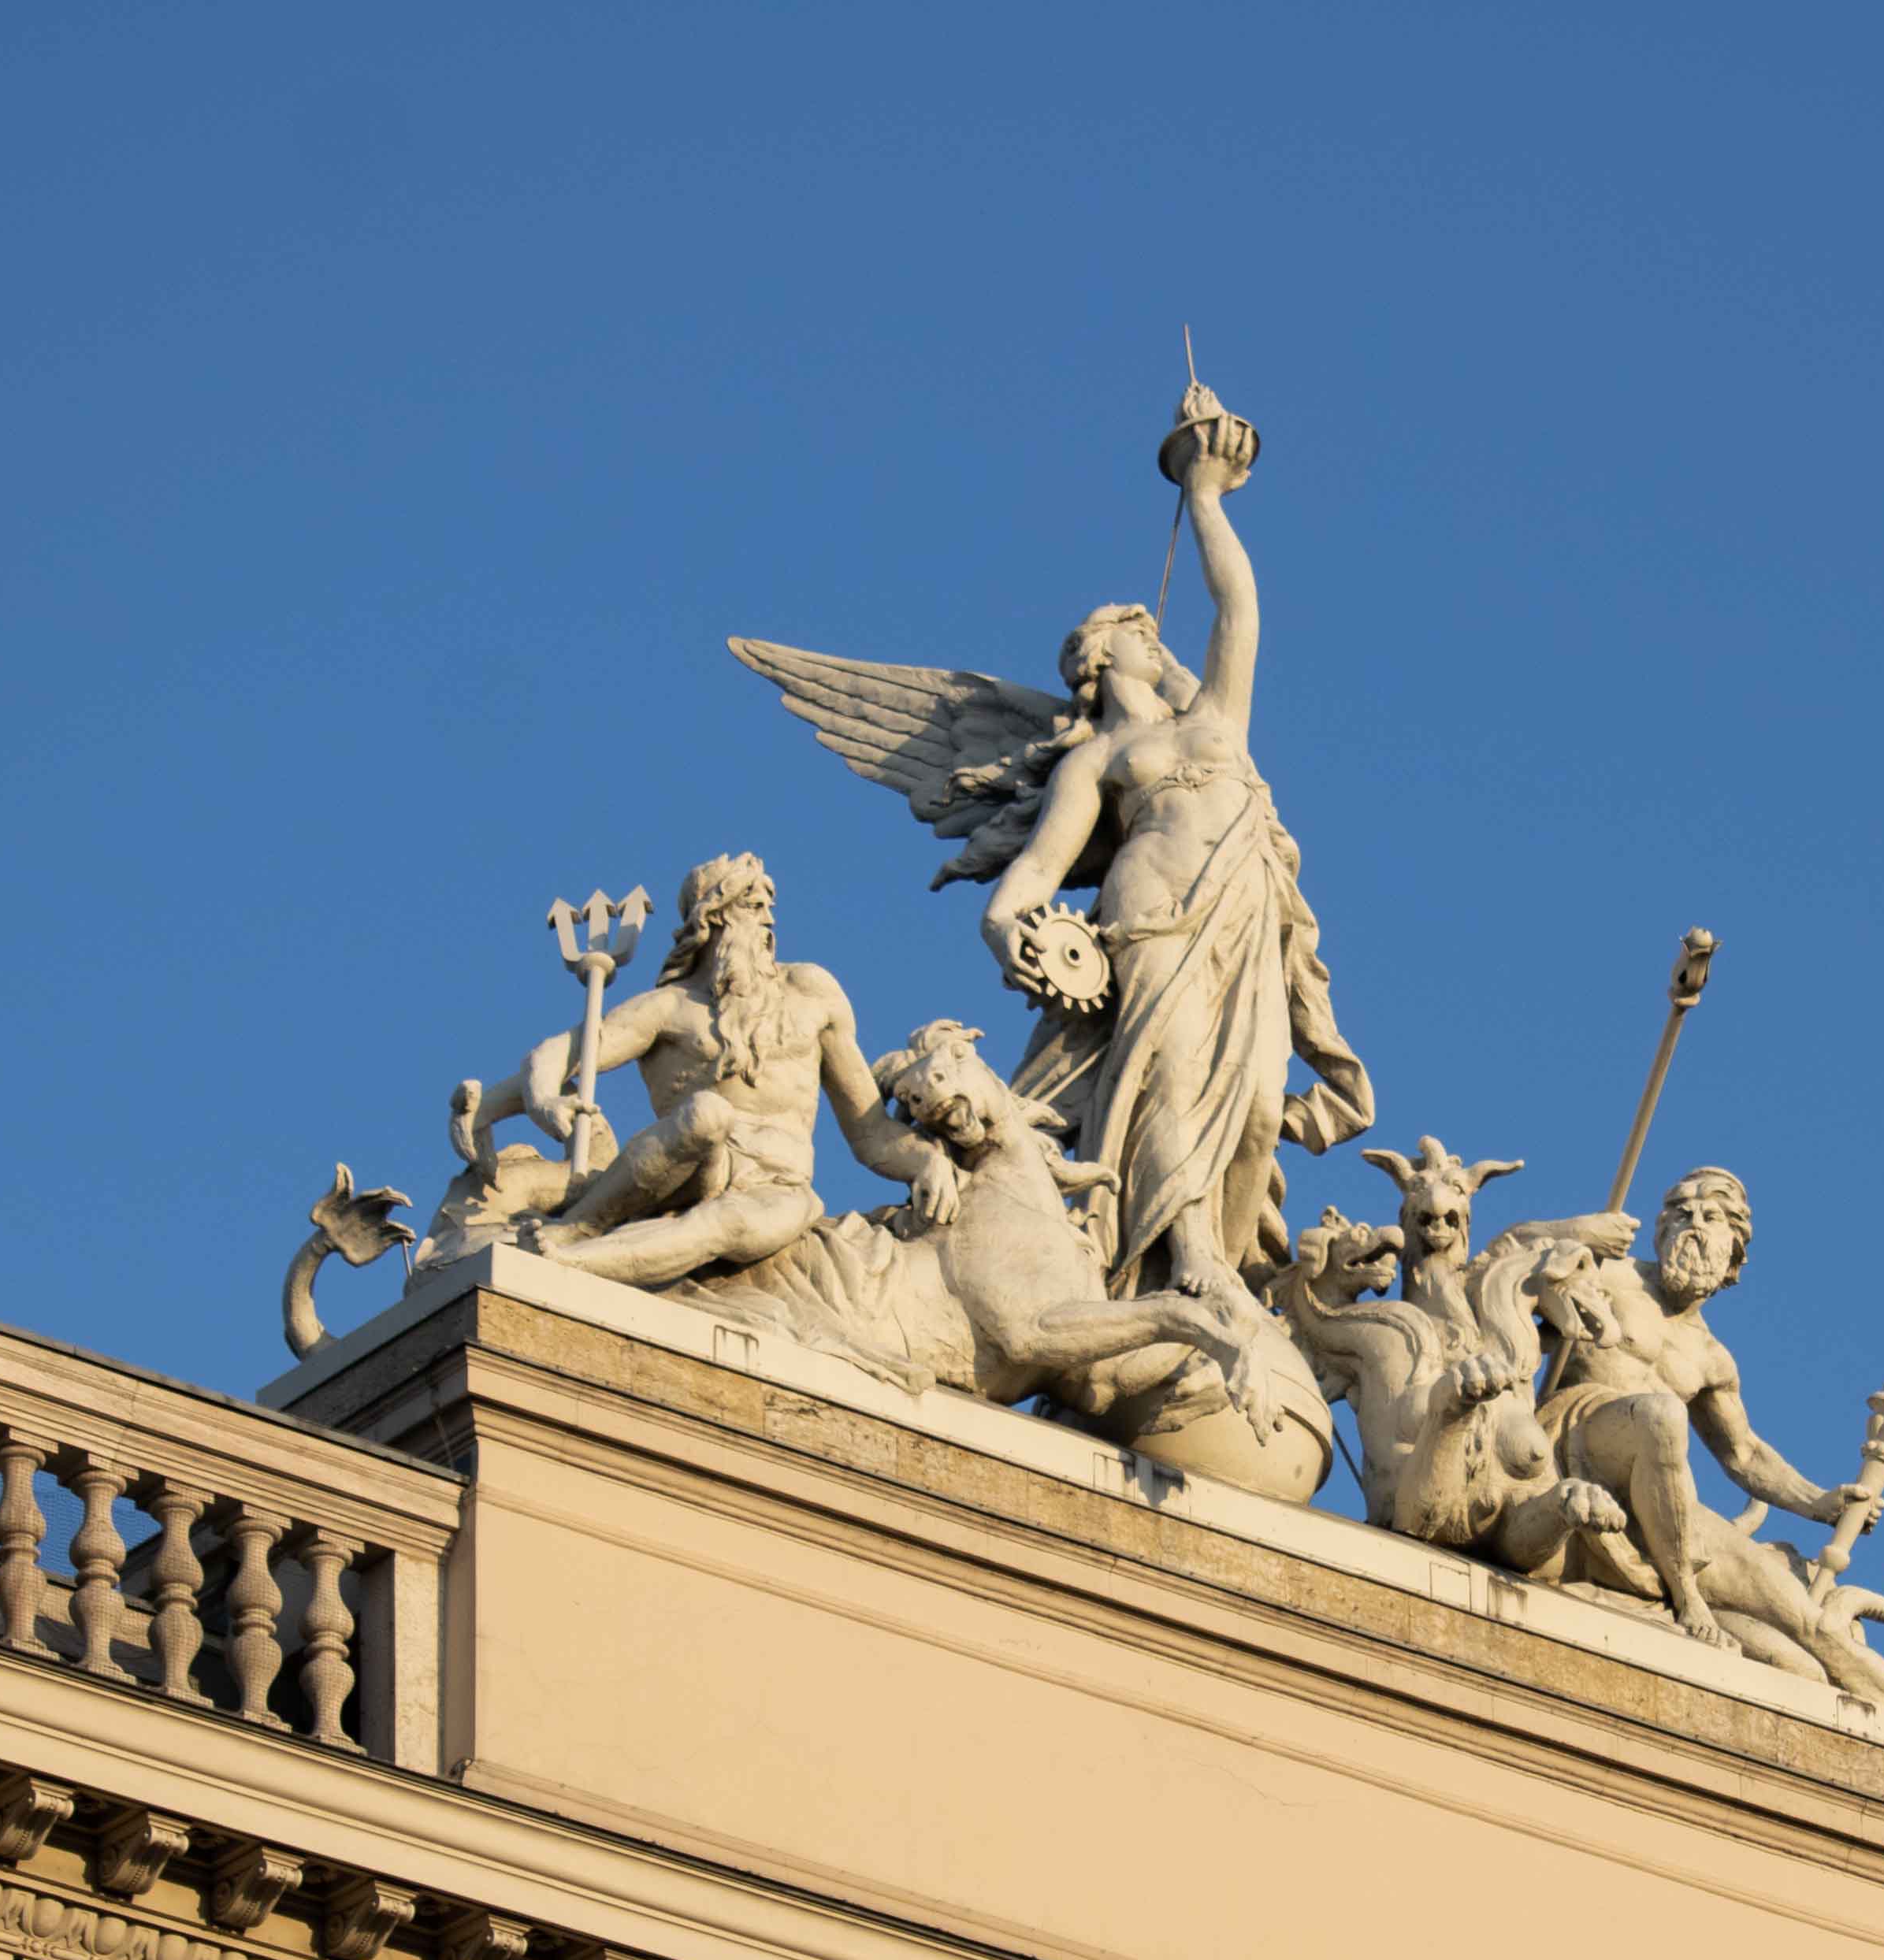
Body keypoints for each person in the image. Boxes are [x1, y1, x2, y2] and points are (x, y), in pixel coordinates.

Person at [973, 391, 1372, 1302]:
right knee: (1177, 1074)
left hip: (1241, 916)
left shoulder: (1217, 718)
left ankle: (1220, 1247)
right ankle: (1186, 1248)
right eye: (1142, 633)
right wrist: (1006, 927)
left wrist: (1205, 496)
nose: (1159, 640)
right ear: (1104, 655)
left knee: (1259, 1106)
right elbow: (1038, 867)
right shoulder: (1104, 760)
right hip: (1153, 925)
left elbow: (1241, 608)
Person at [1537, 1167, 1884, 1713]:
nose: (1692, 1225)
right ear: (1658, 1230)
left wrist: (1820, 1503)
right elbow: (1514, 1267)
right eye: (1680, 1213)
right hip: (1578, 1443)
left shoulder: (1711, 1357)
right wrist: (1575, 1235)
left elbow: (1743, 1454)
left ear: (1734, 1252)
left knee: (1802, 1638)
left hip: (1659, 1499)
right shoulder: (1610, 1275)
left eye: (1710, 1218)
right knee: (1661, 1414)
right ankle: (1687, 1596)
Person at [507, 854, 947, 1290]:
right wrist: (545, 1097)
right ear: (712, 919)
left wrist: (927, 1161)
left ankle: (574, 1264)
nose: (769, 920)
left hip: (778, 1184)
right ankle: (581, 1228)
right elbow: (559, 1053)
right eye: (753, 907)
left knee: (726, 1222)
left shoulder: (813, 992)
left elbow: (869, 1132)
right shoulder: (671, 1008)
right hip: (691, 1169)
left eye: (770, 907)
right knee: (707, 1113)